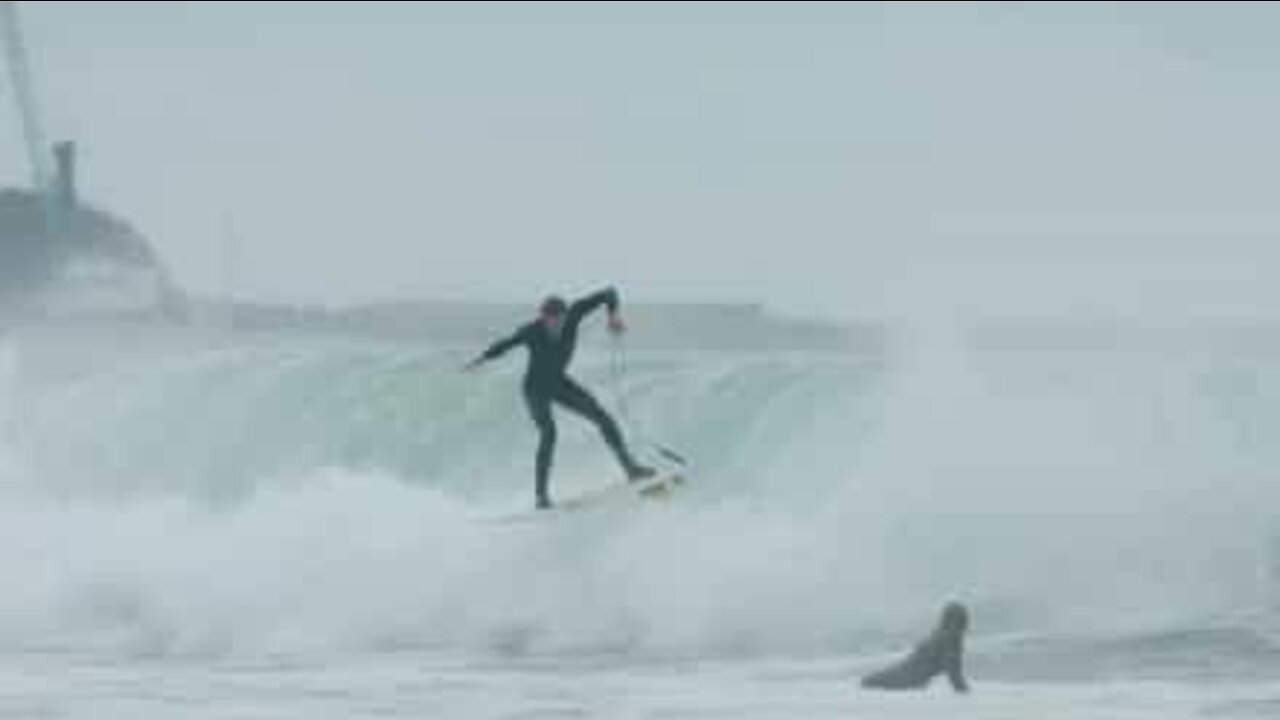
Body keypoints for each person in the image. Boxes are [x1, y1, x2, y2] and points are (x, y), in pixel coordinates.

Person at [466, 287, 655, 510]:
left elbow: (609, 293)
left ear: (565, 316)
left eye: (558, 320)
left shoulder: (574, 314)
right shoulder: (532, 331)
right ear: (543, 318)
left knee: (603, 418)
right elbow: (505, 344)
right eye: (549, 321)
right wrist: (482, 359)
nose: (554, 325)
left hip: (559, 384)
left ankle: (630, 469)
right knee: (549, 434)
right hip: (534, 389)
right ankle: (541, 497)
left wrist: (613, 315)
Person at [861, 602, 971, 694]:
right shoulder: (951, 640)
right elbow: (954, 674)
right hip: (909, 678)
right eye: (963, 620)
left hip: (906, 673)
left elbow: (952, 672)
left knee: (869, 681)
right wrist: (966, 694)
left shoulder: (939, 635)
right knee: (869, 682)